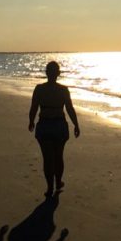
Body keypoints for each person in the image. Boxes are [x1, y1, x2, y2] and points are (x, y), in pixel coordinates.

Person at [28, 61, 80, 196]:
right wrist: (76, 124)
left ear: (46, 72)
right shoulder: (63, 90)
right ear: (58, 73)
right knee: (58, 156)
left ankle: (50, 187)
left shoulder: (39, 89)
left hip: (44, 125)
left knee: (47, 158)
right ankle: (58, 181)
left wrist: (31, 121)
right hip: (59, 126)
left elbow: (33, 107)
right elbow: (69, 109)